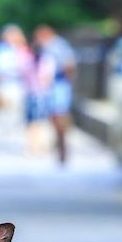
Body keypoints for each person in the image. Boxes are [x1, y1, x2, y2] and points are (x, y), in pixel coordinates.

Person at [35, 24, 77, 165]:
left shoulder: (57, 45)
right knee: (55, 116)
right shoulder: (50, 47)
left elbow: (69, 64)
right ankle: (59, 145)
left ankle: (62, 147)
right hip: (53, 84)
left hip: (59, 83)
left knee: (60, 116)